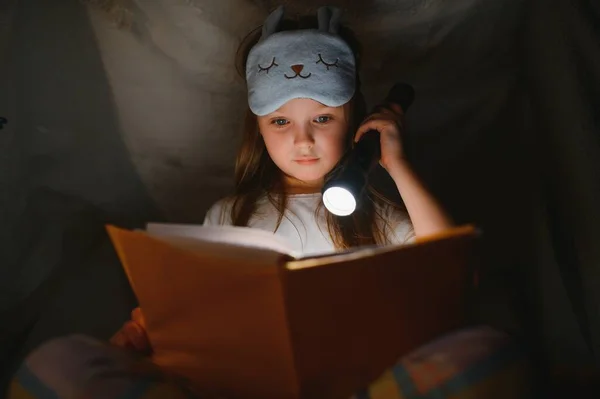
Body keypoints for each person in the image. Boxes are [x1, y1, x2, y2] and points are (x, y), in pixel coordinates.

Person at [112, 5, 453, 354]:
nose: (303, 140)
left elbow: (452, 272)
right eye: (280, 122)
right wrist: (147, 329)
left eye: (322, 119)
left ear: (353, 121)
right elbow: (198, 313)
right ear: (258, 129)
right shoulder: (230, 216)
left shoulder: (374, 217)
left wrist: (396, 164)